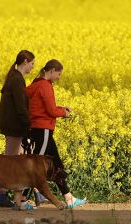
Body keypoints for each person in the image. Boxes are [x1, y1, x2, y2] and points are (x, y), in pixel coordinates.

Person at [26, 59, 87, 209]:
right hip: (43, 130)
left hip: (38, 129)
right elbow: (51, 111)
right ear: (52, 70)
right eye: (59, 74)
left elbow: (43, 107)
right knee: (35, 166)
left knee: (55, 165)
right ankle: (21, 199)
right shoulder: (45, 86)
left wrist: (60, 108)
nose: (59, 77)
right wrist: (64, 113)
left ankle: (69, 198)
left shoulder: (36, 83)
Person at [0, 50, 35, 210]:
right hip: (14, 127)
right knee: (10, 162)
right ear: (25, 61)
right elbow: (20, 107)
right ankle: (2, 195)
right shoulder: (17, 80)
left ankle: (14, 196)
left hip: (11, 125)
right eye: (32, 63)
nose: (33, 67)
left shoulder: (14, 77)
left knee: (12, 160)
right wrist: (28, 125)